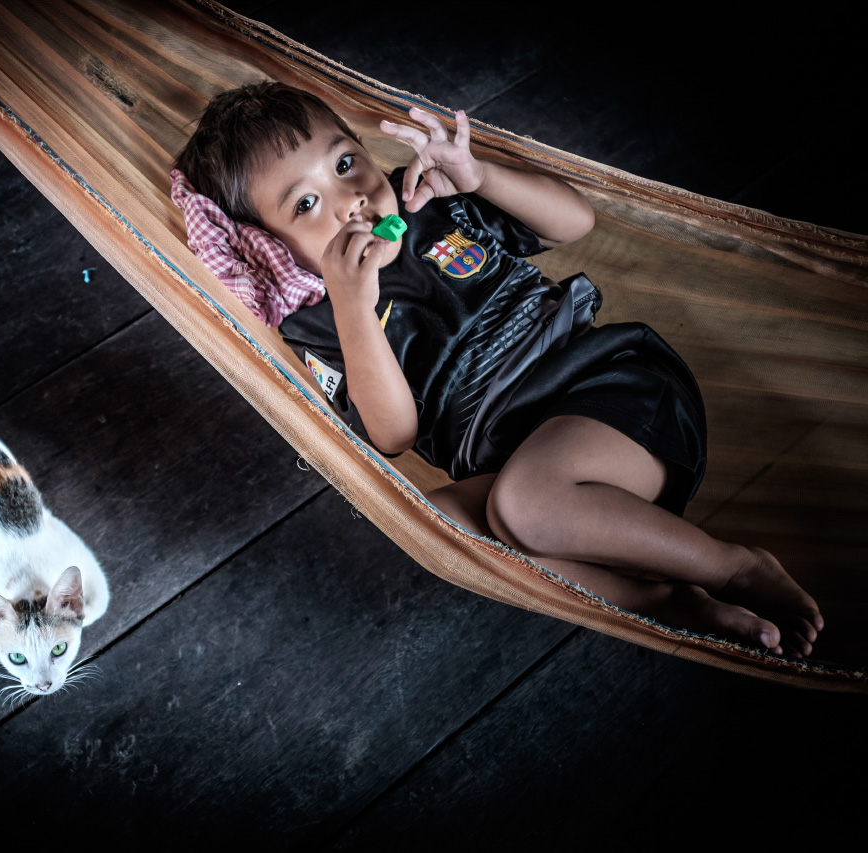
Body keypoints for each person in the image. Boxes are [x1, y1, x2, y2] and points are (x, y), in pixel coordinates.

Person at [173, 82, 823, 657]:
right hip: (526, 469)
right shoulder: (317, 322)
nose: (349, 199)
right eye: (305, 205)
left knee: (525, 504)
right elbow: (393, 435)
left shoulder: (426, 194)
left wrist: (479, 175)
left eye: (345, 162)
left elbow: (576, 221)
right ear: (269, 246)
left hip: (614, 396)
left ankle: (731, 567)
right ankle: (669, 601)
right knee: (439, 527)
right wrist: (353, 307)